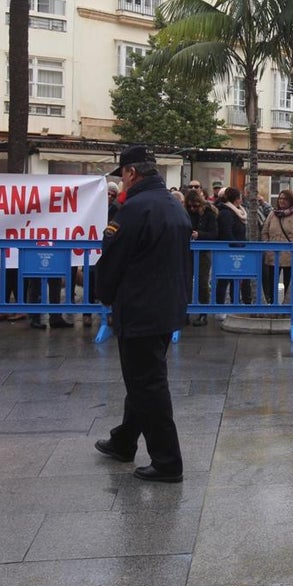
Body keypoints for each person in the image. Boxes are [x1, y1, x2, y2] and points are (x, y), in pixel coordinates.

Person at [94, 145, 191, 483]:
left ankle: (167, 461)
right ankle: (123, 441)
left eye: (121, 175)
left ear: (131, 173)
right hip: (165, 308)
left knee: (148, 384)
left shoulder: (134, 209)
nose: (120, 182)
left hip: (140, 309)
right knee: (143, 378)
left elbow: (113, 261)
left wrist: (103, 294)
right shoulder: (172, 206)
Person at [260, 189, 293, 303]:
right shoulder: (273, 214)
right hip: (273, 254)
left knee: (288, 282)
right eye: (280, 198)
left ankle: (287, 305)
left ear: (290, 200)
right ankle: (272, 303)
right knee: (272, 281)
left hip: (289, 255)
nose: (282, 201)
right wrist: (267, 244)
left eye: (285, 199)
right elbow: (265, 231)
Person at [185, 189, 218, 325]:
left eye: (195, 206)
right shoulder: (185, 212)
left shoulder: (208, 213)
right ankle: (185, 312)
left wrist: (200, 234)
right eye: (190, 206)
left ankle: (203, 313)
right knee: (186, 282)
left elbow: (214, 234)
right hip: (188, 251)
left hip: (203, 252)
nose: (192, 209)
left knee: (202, 282)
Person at [215, 186, 252, 305]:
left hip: (237, 248)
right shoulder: (226, 213)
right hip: (229, 250)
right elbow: (227, 232)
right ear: (236, 199)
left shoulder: (238, 212)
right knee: (224, 279)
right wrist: (237, 246)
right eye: (240, 197)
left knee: (235, 279)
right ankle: (220, 306)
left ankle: (234, 303)